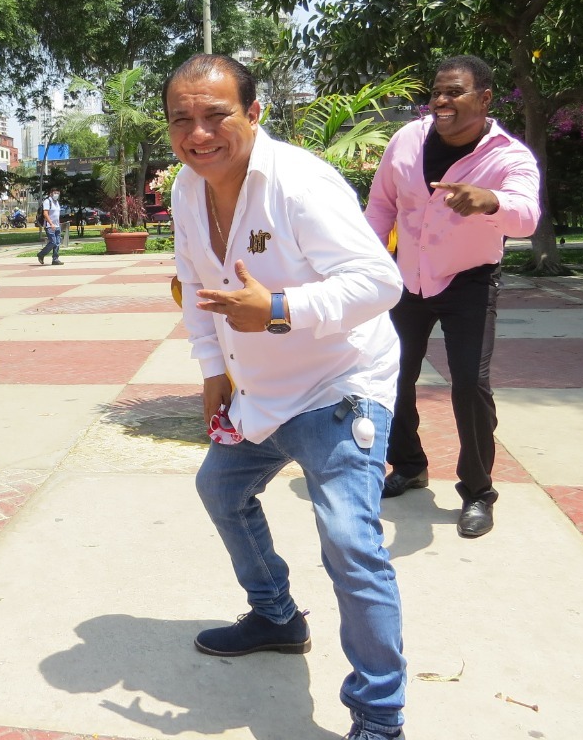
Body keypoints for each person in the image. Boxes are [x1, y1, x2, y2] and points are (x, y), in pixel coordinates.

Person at [165, 55, 407, 740]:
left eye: (216, 116)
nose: (198, 134)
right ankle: (275, 616)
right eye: (182, 119)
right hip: (262, 389)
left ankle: (380, 716)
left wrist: (276, 308)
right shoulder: (187, 187)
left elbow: (379, 283)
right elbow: (195, 280)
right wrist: (213, 372)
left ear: (254, 113)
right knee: (221, 490)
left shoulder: (301, 183)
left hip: (338, 385)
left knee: (349, 541)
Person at [364, 55, 540, 539]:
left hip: (469, 281)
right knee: (393, 375)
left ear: (484, 99)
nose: (441, 101)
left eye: (454, 92)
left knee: (470, 385)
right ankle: (409, 465)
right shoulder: (407, 139)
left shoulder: (509, 156)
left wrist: (491, 201)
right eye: (437, 92)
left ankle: (478, 491)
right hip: (407, 278)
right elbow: (381, 206)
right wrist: (364, 261)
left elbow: (527, 216)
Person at [36, 187, 63, 265]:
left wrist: (58, 224)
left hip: (57, 225)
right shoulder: (47, 201)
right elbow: (45, 213)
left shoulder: (56, 202)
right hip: (49, 226)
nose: (56, 194)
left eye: (58, 193)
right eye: (55, 193)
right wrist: (51, 223)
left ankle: (55, 259)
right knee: (53, 242)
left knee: (57, 243)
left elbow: (56, 214)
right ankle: (41, 254)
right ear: (51, 193)